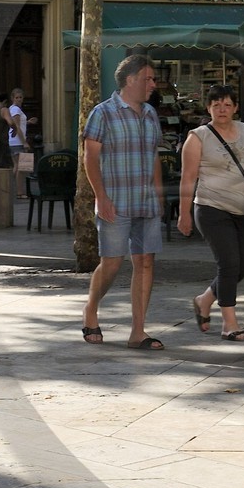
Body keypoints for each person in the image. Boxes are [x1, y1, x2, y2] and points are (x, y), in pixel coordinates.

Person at [177, 84, 244, 342]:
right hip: (211, 208)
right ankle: (229, 324)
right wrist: (184, 213)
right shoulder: (198, 136)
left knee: (241, 268)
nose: (221, 110)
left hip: (241, 208)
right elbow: (188, 179)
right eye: (216, 105)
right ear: (208, 108)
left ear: (236, 108)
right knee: (228, 264)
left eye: (227, 105)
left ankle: (205, 300)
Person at [82, 54, 166, 350]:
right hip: (114, 202)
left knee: (144, 262)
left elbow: (153, 155)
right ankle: (91, 308)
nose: (153, 84)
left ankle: (138, 332)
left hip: (146, 204)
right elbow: (90, 158)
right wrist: (100, 197)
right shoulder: (102, 113)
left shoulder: (151, 114)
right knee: (112, 264)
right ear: (130, 80)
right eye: (148, 79)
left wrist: (158, 193)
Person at [7, 88, 33, 197]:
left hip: (14, 140)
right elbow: (17, 126)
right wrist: (24, 142)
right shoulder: (16, 110)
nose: (19, 99)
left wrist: (27, 122)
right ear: (12, 98)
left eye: (20, 97)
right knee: (22, 168)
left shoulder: (14, 109)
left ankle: (13, 189)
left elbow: (18, 123)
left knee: (19, 167)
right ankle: (19, 192)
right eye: (16, 97)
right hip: (18, 141)